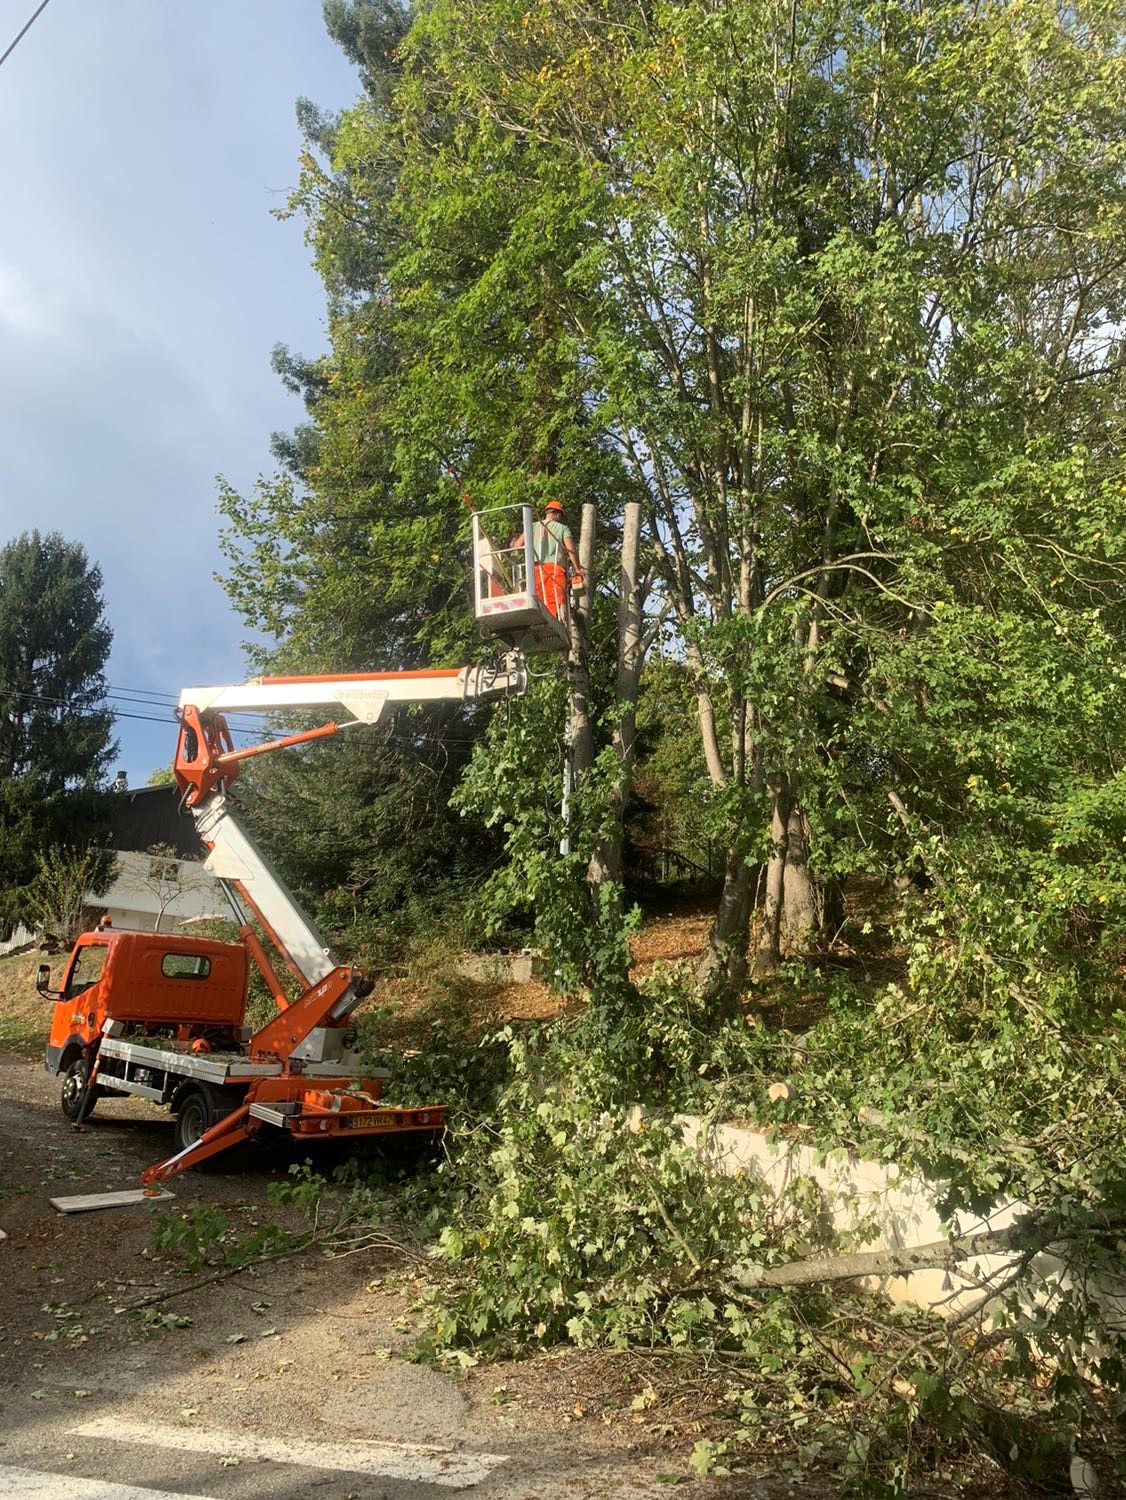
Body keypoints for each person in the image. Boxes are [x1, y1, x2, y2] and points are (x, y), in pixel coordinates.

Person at [515, 498, 583, 618]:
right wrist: (577, 568)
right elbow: (571, 549)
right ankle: (549, 620)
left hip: (535, 568)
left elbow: (517, 547)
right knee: (552, 599)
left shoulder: (532, 526)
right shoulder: (562, 528)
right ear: (557, 514)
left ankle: (534, 618)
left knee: (536, 596)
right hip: (554, 569)